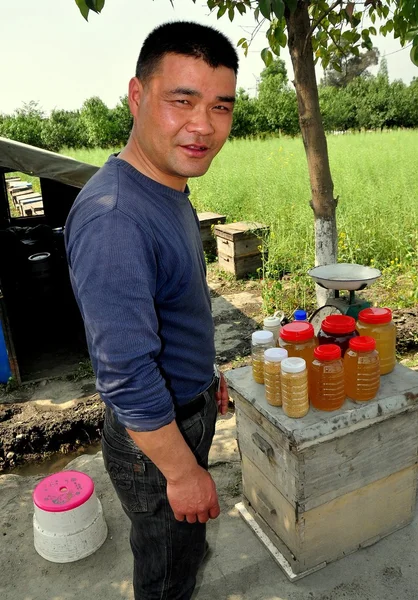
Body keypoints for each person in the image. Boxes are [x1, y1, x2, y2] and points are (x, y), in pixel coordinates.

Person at [65, 21, 238, 600]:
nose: (203, 127)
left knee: (179, 551)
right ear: (137, 96)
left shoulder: (165, 183)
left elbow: (172, 304)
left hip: (183, 405)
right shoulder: (115, 217)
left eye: (221, 107)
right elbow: (125, 374)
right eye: (181, 101)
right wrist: (184, 472)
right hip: (157, 440)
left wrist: (201, 374)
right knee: (166, 571)